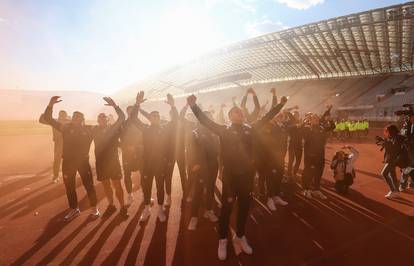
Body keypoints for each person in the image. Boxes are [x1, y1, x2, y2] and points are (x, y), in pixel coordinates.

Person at [187, 93, 287, 261]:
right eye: (235, 112)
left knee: (244, 208)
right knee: (226, 210)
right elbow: (206, 121)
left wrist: (280, 105)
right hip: (231, 178)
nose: (239, 114)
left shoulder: (250, 128)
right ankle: (222, 240)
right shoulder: (224, 130)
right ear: (230, 116)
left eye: (240, 112)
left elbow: (267, 116)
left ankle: (240, 236)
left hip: (247, 177)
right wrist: (193, 106)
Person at [41, 96, 99, 221]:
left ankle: (94, 208)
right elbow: (48, 119)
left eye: (77, 118)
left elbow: (110, 128)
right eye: (73, 117)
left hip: (83, 161)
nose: (74, 120)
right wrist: (50, 104)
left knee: (89, 185)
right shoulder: (66, 127)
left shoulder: (90, 129)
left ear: (82, 119)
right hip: (68, 162)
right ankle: (74, 209)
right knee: (69, 186)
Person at [131, 91, 178, 223]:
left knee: (160, 187)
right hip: (147, 164)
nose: (155, 117)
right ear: (150, 118)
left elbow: (175, 121)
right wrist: (137, 104)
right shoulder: (145, 128)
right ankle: (146, 209)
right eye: (153, 116)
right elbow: (134, 119)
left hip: (161, 164)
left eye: (157, 115)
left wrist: (173, 106)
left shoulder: (165, 128)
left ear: (159, 118)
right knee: (146, 187)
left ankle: (160, 209)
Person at [93, 97, 128, 218]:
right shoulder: (94, 129)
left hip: (113, 163)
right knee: (106, 185)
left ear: (108, 120)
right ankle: (111, 204)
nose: (102, 119)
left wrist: (115, 106)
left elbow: (122, 117)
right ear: (97, 120)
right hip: (101, 164)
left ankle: (123, 206)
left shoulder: (113, 128)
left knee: (117, 185)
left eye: (104, 117)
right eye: (100, 117)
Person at [187, 111, 220, 230]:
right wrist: (194, 164)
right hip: (201, 167)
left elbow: (218, 150)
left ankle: (209, 210)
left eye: (210, 117)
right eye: (207, 118)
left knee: (210, 188)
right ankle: (194, 217)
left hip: (213, 166)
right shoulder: (195, 133)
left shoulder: (214, 133)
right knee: (198, 191)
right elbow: (190, 151)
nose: (209, 120)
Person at [301, 106, 335, 200]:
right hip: (310, 155)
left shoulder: (322, 127)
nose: (315, 119)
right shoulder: (307, 128)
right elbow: (304, 136)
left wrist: (330, 119)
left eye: (316, 118)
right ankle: (306, 189)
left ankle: (316, 189)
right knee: (308, 172)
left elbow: (332, 127)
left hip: (320, 154)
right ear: (310, 120)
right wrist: (306, 123)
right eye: (313, 118)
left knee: (319, 172)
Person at [120, 105, 144, 205]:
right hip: (127, 154)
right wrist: (126, 147)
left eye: (133, 111)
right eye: (129, 111)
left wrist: (139, 147)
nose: (131, 113)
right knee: (127, 174)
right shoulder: (124, 124)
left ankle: (145, 194)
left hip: (139, 153)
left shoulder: (139, 123)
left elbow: (144, 135)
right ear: (127, 112)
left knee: (143, 173)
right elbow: (121, 138)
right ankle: (130, 195)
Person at [377, 125, 408, 198]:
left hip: (393, 160)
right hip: (393, 159)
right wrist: (383, 141)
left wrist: (384, 143)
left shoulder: (397, 138)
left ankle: (393, 191)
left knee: (384, 174)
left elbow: (394, 149)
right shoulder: (394, 137)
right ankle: (396, 191)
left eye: (387, 131)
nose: (386, 133)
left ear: (391, 131)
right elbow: (391, 145)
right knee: (392, 175)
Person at [39, 109, 70, 183]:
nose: (62, 116)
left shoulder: (68, 121)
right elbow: (41, 121)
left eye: (64, 115)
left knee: (67, 160)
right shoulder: (54, 121)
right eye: (61, 115)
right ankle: (56, 176)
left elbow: (80, 124)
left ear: (65, 116)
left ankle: (67, 175)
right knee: (57, 160)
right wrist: (45, 114)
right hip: (59, 143)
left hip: (68, 144)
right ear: (59, 115)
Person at [287, 110, 303, 179]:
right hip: (292, 144)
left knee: (298, 160)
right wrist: (296, 125)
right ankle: (288, 173)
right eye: (294, 115)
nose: (296, 116)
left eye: (297, 115)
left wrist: (301, 124)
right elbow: (288, 128)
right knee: (291, 160)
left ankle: (295, 172)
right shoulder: (290, 122)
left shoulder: (301, 122)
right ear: (292, 116)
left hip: (299, 145)